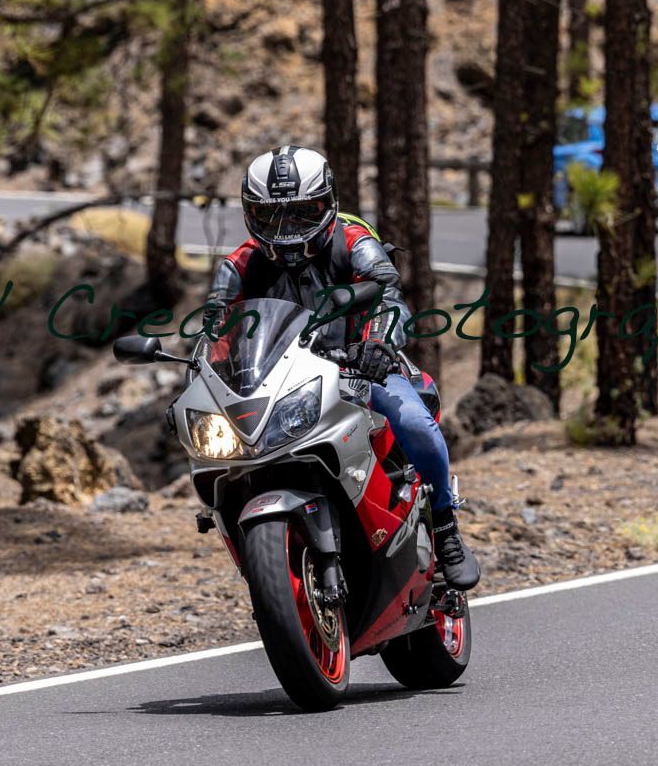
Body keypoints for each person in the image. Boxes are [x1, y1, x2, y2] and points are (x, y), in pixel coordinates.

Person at [204, 145, 480, 590]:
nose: (286, 228)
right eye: (271, 216)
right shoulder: (239, 265)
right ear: (250, 213)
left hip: (360, 367)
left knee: (414, 422)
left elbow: (388, 294)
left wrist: (377, 345)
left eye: (300, 213)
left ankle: (446, 527)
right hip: (281, 383)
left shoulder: (353, 240)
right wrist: (201, 379)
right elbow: (215, 329)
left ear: (327, 203)